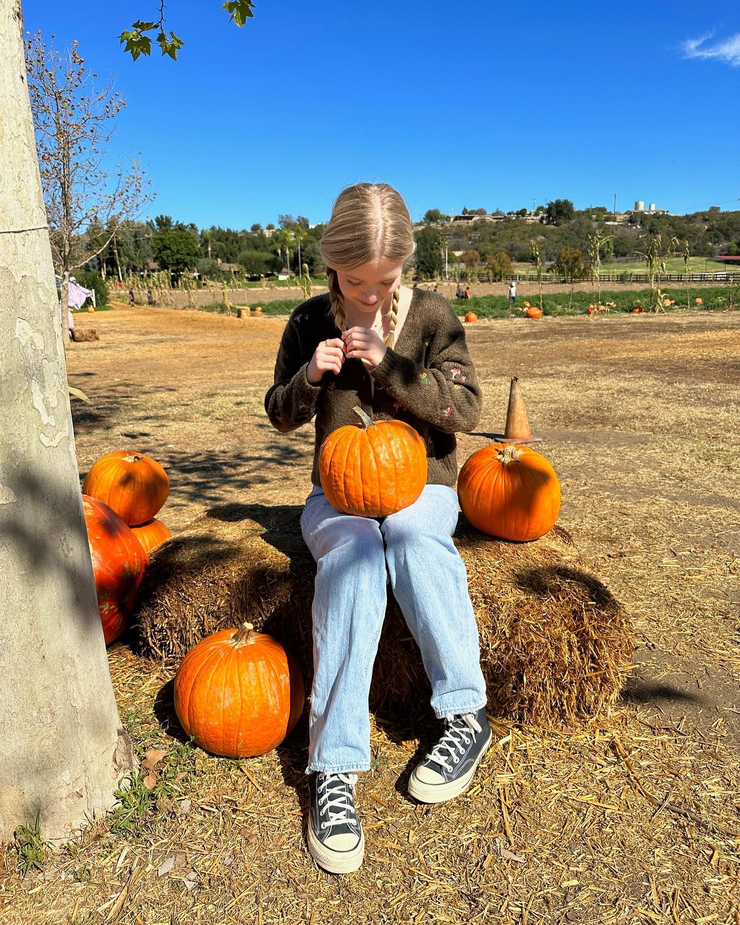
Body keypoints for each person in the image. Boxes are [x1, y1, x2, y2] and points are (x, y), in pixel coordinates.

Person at [265, 183, 491, 876]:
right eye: (352, 280)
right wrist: (310, 377)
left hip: (423, 486)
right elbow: (279, 413)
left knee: (417, 540)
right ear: (331, 266)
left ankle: (465, 714)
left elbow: (466, 411)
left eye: (383, 281)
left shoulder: (432, 317)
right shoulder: (309, 320)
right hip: (338, 491)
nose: (368, 294)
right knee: (357, 553)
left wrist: (392, 366)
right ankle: (333, 768)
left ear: (403, 268)